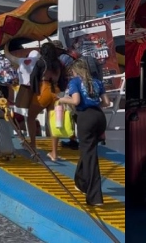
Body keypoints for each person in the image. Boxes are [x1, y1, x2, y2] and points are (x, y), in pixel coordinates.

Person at [57, 59, 109, 206]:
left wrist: (62, 100)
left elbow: (76, 101)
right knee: (88, 150)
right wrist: (94, 104)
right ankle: (80, 182)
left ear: (76, 71)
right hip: (99, 117)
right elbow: (106, 102)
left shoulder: (74, 82)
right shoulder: (97, 82)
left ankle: (95, 197)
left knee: (90, 156)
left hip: (86, 118)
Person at [29, 42, 65, 161]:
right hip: (56, 92)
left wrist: (34, 92)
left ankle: (33, 145)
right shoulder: (59, 63)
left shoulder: (41, 62)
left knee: (31, 117)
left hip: (43, 90)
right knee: (53, 122)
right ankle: (54, 152)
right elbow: (64, 79)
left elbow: (33, 77)